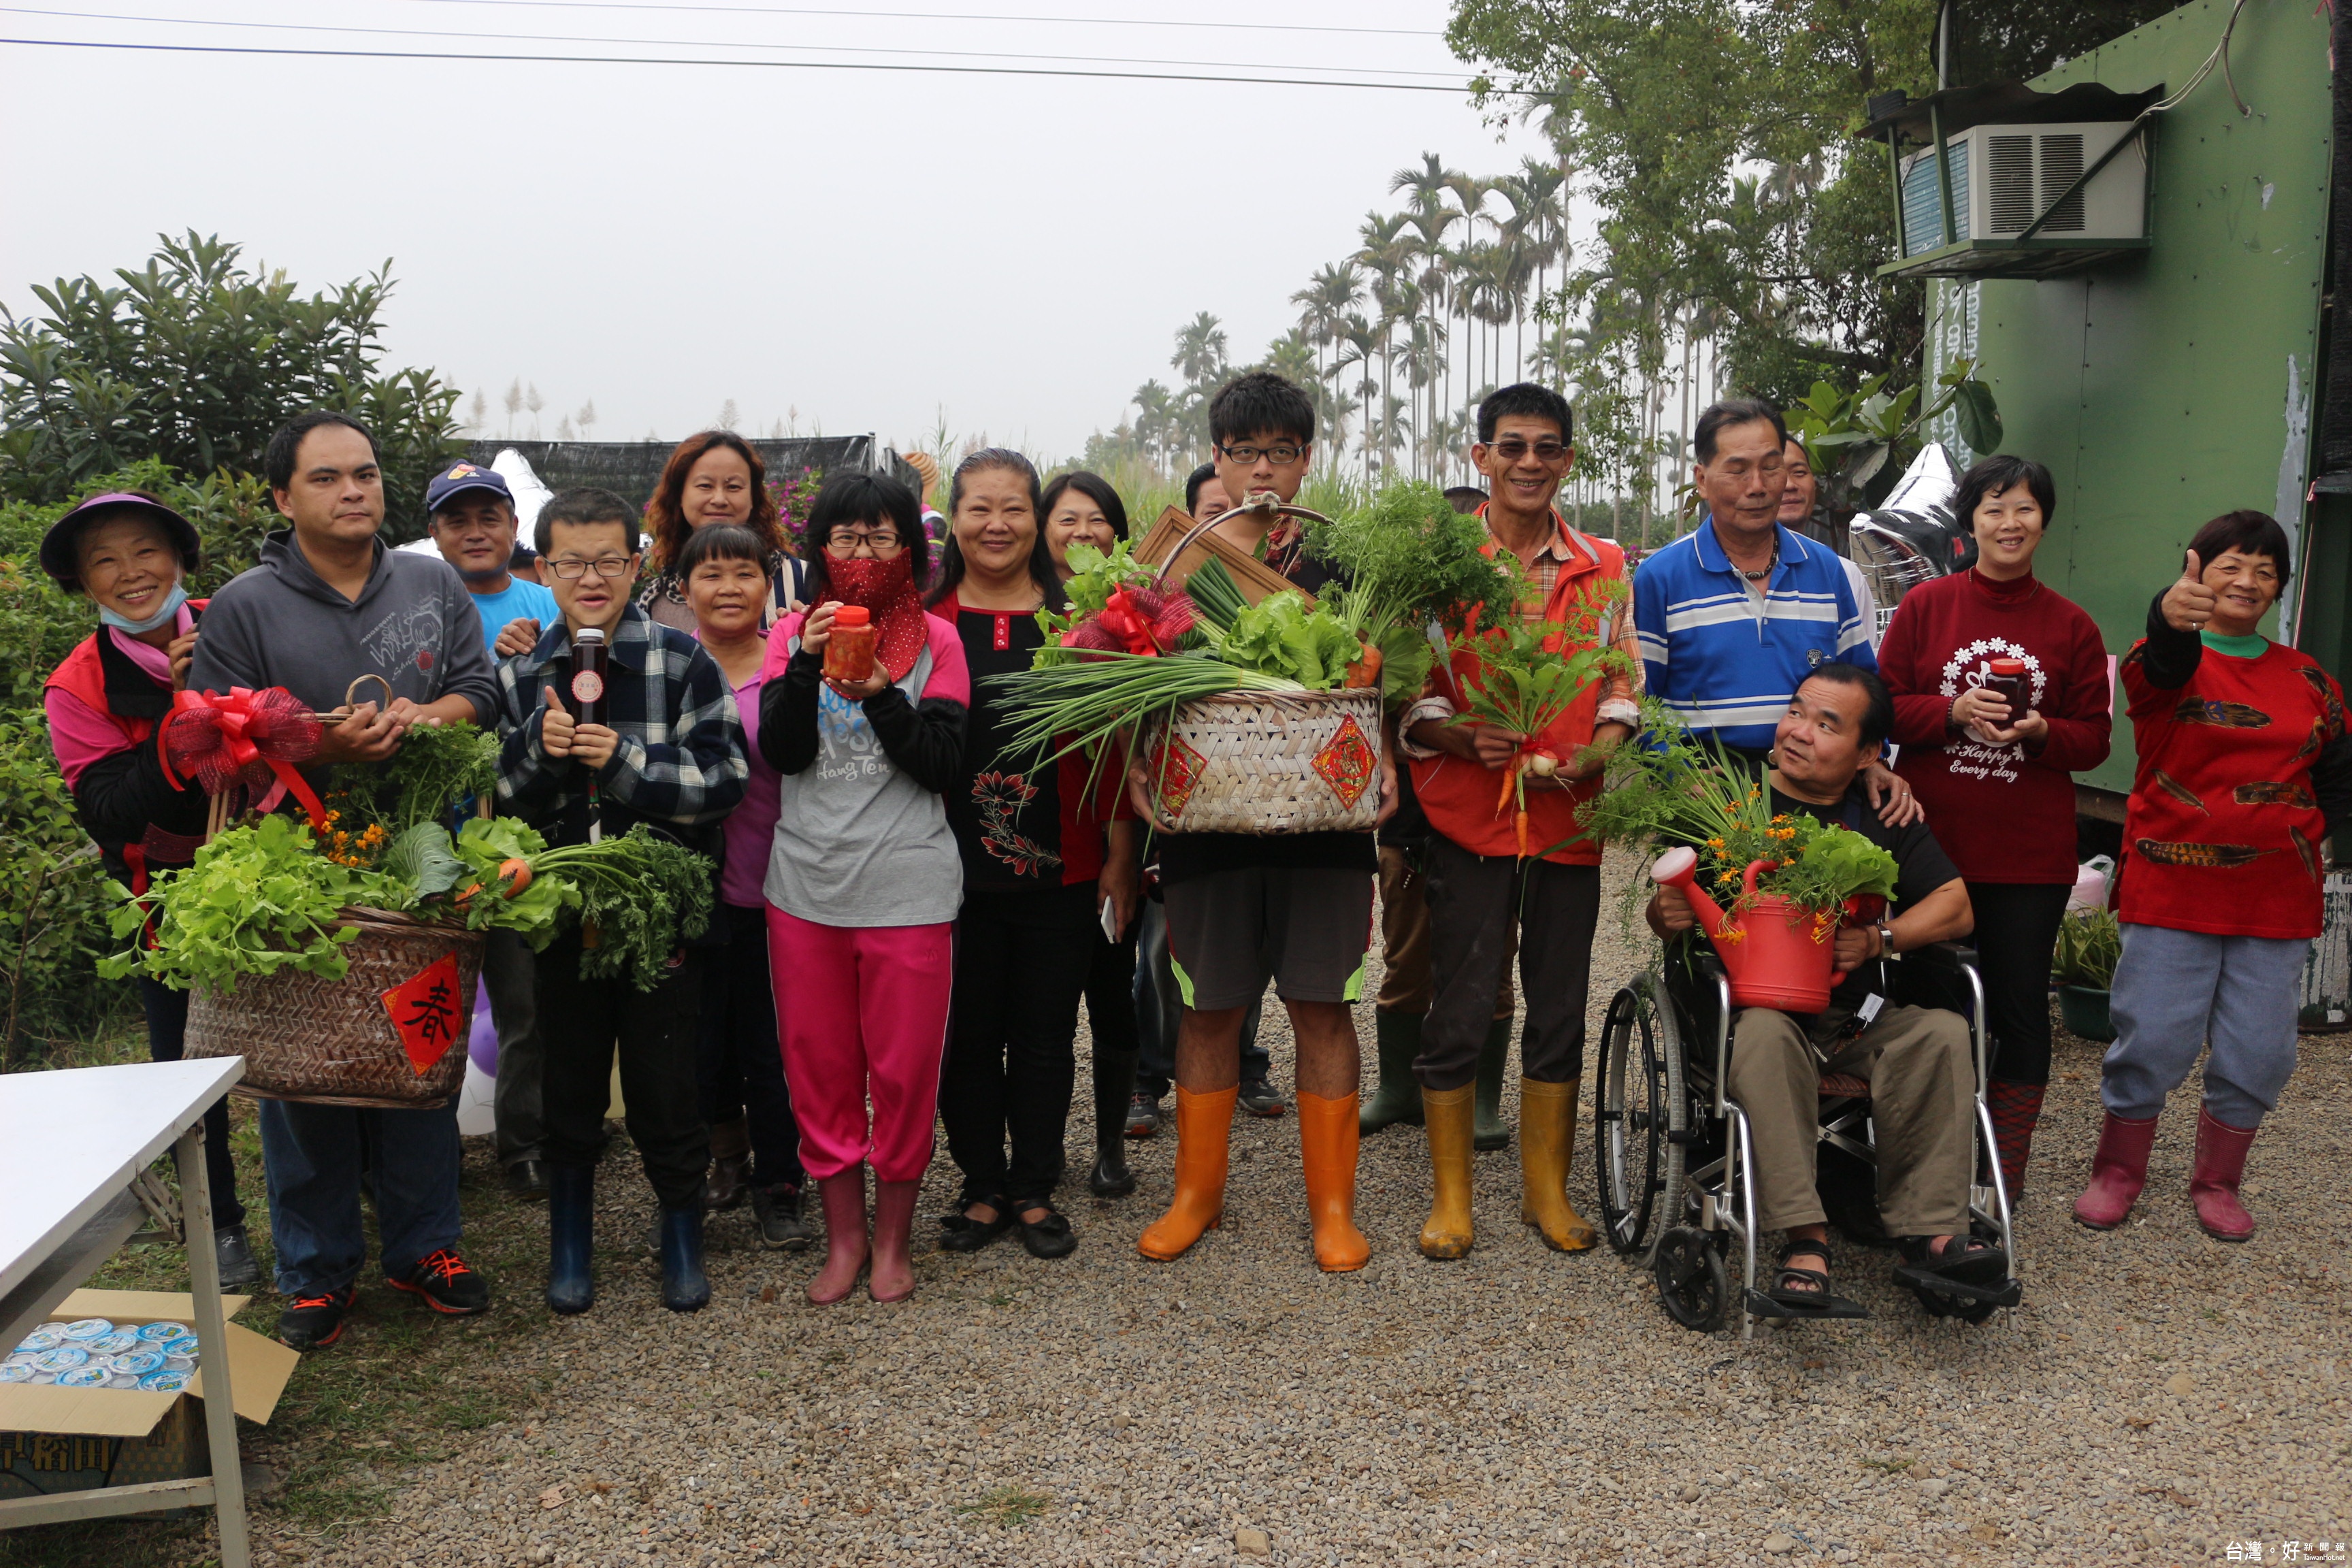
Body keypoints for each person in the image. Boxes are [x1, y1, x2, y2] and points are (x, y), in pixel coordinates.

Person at [189, 411, 501, 1350]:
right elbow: (213, 739)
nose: (354, 491)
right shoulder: (245, 605)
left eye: (364, 473)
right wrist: (316, 739)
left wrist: (419, 718)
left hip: (418, 853)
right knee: (304, 1071)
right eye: (327, 479)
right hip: (298, 865)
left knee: (419, 1050)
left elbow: (480, 694)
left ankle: (424, 1244)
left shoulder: (431, 578)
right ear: (285, 498)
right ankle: (319, 1270)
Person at [1129, 372, 1396, 1273]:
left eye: (1281, 451)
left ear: (1307, 459)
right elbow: (1137, 686)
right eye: (1244, 452)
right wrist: (1137, 767)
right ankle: (1195, 1194)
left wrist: (1387, 759)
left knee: (1324, 1006)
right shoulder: (1179, 563)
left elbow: (1378, 684)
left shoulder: (1342, 563)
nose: (1262, 469)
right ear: (1217, 457)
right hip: (1206, 819)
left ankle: (1333, 1209)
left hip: (1327, 817)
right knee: (1210, 1009)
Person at [1646, 666, 1998, 1312]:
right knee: (1766, 1035)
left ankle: (1935, 1233)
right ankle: (1806, 1237)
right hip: (1751, 1014)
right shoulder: (1727, 798)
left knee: (1944, 1031)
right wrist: (1666, 913)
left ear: (1869, 755)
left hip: (1853, 1018)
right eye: (1797, 712)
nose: (1799, 732)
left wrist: (1878, 941)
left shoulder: (1883, 814)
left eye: (1827, 724)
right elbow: (1666, 905)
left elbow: (1957, 906)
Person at [1396, 383, 1639, 1258]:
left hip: (1569, 813)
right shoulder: (1439, 563)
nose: (1529, 462)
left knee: (1559, 1001)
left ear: (1567, 461)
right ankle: (1452, 1197)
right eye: (1512, 447)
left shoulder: (1606, 564)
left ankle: (1547, 1191)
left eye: (1547, 448)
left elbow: (1622, 680)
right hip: (1470, 812)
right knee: (1459, 1001)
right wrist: (1462, 737)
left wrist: (1603, 749)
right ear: (1481, 459)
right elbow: (1407, 693)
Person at [491, 488, 748, 1313]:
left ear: (637, 565)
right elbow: (501, 798)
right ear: (543, 571)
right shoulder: (523, 673)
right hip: (560, 920)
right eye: (572, 563)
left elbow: (726, 781)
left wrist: (628, 762)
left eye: (610, 560)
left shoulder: (682, 660)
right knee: (568, 1081)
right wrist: (540, 748)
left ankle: (680, 1234)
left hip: (659, 918)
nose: (591, 577)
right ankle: (571, 1242)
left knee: (665, 1080)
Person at [2074, 512, 2351, 1241]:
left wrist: (2321, 843)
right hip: (2174, 888)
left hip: (2276, 896)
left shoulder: (2311, 679)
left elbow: (2338, 780)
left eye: (2265, 570)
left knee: (2261, 1047)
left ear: (2281, 589)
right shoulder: (2163, 661)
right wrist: (2168, 619)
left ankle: (2219, 1181)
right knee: (2154, 1036)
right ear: (2200, 570)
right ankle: (2119, 1170)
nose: (2249, 581)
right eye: (2232, 564)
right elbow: (2162, 661)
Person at [39, 490, 261, 1288]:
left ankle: (355, 1185)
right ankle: (223, 1223)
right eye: (105, 559)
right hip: (167, 895)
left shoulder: (234, 620)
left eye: (145, 551)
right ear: (82, 583)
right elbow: (107, 812)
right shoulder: (78, 685)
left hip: (282, 868)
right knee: (186, 1064)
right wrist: (180, 721)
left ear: (179, 558)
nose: (131, 573)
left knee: (314, 1037)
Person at [1878, 455, 2110, 1197]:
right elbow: (1882, 705)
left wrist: (2043, 730)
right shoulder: (1927, 608)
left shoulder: (2071, 625)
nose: (2010, 523)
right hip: (1930, 844)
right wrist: (1951, 712)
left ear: (2044, 520)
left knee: (2019, 1012)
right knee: (1920, 1002)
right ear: (1970, 521)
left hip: (2027, 856)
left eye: (2025, 510)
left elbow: (2096, 738)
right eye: (1994, 508)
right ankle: (1914, 1165)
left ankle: (1998, 1178)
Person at [760, 470, 966, 1305]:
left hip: (910, 891)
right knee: (819, 1067)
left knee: (906, 1072)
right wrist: (809, 665)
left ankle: (893, 1244)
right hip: (805, 890)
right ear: (817, 552)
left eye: (882, 537)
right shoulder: (788, 635)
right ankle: (843, 1240)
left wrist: (882, 691)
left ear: (912, 552)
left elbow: (943, 764)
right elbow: (783, 755)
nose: (862, 554)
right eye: (844, 538)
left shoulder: (940, 645)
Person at [930, 454, 1141, 1258]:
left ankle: (1034, 1186)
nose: (997, 525)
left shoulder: (1082, 624)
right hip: (946, 870)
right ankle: (981, 1183)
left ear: (1036, 518)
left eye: (1014, 508)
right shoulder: (929, 622)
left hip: (1066, 863)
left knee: (1048, 1032)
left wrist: (1122, 858)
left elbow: (1120, 750)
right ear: (954, 519)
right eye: (979, 509)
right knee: (969, 1033)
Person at [1634, 400, 1916, 826]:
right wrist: (1676, 773)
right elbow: (1640, 702)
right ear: (1702, 479)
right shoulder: (1661, 577)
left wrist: (1874, 760)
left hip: (1818, 792)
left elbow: (1863, 685)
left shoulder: (1827, 570)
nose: (1759, 486)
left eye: (1772, 467)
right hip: (1710, 796)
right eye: (1738, 469)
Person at [1360, 483, 1517, 1152]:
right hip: (1410, 821)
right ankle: (1399, 1087)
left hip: (1489, 814)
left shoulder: (1503, 619)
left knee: (1491, 958)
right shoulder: (1401, 613)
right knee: (1405, 955)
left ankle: (1482, 1097)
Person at [423, 459, 562, 1200]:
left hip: (516, 837)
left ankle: (523, 1144)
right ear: (435, 534)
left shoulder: (547, 602)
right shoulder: (416, 605)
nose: (475, 532)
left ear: (514, 528)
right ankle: (423, 1147)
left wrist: (532, 661)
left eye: (489, 518)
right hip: (430, 838)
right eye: (457, 520)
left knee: (522, 1003)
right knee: (429, 1002)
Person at [1128, 459, 1278, 1134]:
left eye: (1234, 510)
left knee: (1255, 957)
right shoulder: (1170, 593)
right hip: (1189, 811)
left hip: (1277, 800)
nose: (1226, 521)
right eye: (1210, 512)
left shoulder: (1283, 587)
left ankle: (1247, 1062)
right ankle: (1148, 1073)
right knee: (1165, 954)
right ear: (1190, 522)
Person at [680, 523, 811, 1250]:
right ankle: (725, 1161)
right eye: (710, 574)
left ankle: (781, 1184)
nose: (728, 588)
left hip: (780, 888)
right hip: (694, 894)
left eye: (744, 574)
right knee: (704, 1046)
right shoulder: (669, 663)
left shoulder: (791, 664)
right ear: (684, 587)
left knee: (774, 1047)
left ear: (769, 584)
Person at [1039, 470, 1146, 1199]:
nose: (1083, 532)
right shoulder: (1020, 608)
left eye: (1097, 520)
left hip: (1107, 828)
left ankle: (1110, 1146)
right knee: (1041, 1010)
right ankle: (1042, 1152)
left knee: (1113, 992)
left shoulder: (1128, 612)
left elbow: (1125, 746)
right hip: (1033, 837)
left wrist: (1122, 853)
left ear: (1118, 531)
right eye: (1067, 519)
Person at [636, 431, 809, 634]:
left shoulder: (803, 580)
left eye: (733, 486)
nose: (719, 499)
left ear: (753, 496)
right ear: (679, 496)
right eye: (705, 486)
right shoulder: (656, 601)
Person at [1776, 439, 1880, 648]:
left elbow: (1863, 674)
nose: (1790, 485)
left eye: (1799, 472)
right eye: (1775, 473)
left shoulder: (1843, 574)